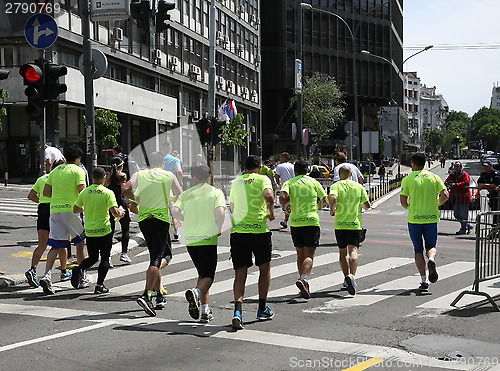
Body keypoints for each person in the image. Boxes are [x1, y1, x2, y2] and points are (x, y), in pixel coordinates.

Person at [123, 151, 182, 317]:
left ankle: (158, 294)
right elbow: (180, 194)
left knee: (154, 255)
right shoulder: (168, 175)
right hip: (161, 219)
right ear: (162, 162)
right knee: (164, 257)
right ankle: (147, 294)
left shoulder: (139, 174)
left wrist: (136, 199)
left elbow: (125, 188)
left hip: (144, 218)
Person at [171, 165, 225, 323]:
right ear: (209, 176)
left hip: (191, 238)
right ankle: (196, 293)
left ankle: (204, 310)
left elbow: (174, 211)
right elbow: (220, 212)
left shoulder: (187, 194)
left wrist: (184, 219)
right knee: (208, 275)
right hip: (207, 238)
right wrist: (219, 226)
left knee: (202, 273)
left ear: (194, 177)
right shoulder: (215, 192)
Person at [229, 155, 275, 330]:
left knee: (240, 274)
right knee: (264, 269)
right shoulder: (263, 179)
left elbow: (232, 207)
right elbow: (269, 196)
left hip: (239, 231)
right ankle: (262, 308)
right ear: (260, 167)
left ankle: (238, 312)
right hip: (259, 231)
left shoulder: (236, 182)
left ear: (245, 168)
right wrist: (270, 211)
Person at [40, 145, 87, 295]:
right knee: (80, 242)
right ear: (78, 159)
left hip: (55, 211)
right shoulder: (78, 170)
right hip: (72, 210)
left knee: (56, 244)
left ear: (65, 157)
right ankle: (82, 274)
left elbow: (46, 193)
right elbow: (82, 192)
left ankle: (47, 274)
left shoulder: (55, 172)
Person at [400, 153, 449, 291]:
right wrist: (436, 204)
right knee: (431, 246)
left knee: (417, 249)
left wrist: (410, 207)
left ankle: (423, 280)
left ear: (413, 164)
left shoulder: (408, 179)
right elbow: (446, 195)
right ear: (426, 163)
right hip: (431, 218)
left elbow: (403, 201)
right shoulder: (434, 177)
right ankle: (432, 260)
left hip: (414, 219)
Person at [71, 167, 125, 293]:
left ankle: (79, 268)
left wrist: (87, 208)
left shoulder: (84, 192)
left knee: (93, 257)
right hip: (104, 230)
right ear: (104, 178)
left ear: (91, 177)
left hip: (90, 230)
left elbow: (75, 209)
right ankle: (99, 285)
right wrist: (121, 213)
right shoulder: (108, 192)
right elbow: (115, 212)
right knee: (105, 258)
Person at [279, 160, 327, 299]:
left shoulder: (290, 182)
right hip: (311, 220)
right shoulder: (314, 182)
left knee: (300, 253)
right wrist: (317, 208)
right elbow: (325, 200)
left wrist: (286, 208)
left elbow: (282, 196)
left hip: (296, 222)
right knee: (309, 254)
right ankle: (304, 278)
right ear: (308, 170)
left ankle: (302, 284)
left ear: (295, 171)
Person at [25, 160, 70, 288]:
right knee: (61, 242)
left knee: (42, 244)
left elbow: (31, 195)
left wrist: (41, 201)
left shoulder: (42, 178)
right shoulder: (61, 179)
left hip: (43, 209)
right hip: (56, 209)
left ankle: (33, 269)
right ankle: (63, 271)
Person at [328, 164, 371, 296]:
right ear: (351, 174)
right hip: (354, 224)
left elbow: (333, 197)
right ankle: (352, 276)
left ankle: (346, 276)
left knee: (342, 252)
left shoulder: (336, 186)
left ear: (339, 175)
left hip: (340, 224)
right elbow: (367, 205)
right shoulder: (358, 187)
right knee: (353, 250)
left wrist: (332, 209)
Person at [105, 156, 132, 263]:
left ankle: (108, 257)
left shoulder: (108, 176)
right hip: (121, 203)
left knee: (110, 230)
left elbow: (105, 187)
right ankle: (124, 253)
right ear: (121, 165)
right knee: (125, 229)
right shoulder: (123, 176)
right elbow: (125, 190)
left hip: (110, 203)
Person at [162, 141, 183, 241]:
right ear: (170, 149)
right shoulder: (175, 160)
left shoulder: (159, 158)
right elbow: (179, 171)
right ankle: (175, 231)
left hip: (158, 185)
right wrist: (180, 181)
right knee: (173, 208)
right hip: (170, 186)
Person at [444, 161, 473, 235]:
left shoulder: (464, 174)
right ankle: (468, 225)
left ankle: (463, 229)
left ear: (461, 167)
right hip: (456, 197)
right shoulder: (452, 174)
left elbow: (466, 182)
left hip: (464, 197)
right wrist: (447, 184)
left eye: (458, 166)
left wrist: (456, 185)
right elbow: (446, 181)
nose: (456, 167)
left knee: (464, 214)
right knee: (456, 214)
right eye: (455, 166)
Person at [478, 159, 500, 234]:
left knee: (497, 214)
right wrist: (488, 186)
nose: (485, 168)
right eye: (484, 166)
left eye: (487, 166)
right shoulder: (484, 174)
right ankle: (495, 229)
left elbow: (496, 185)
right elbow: (479, 183)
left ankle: (495, 230)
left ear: (491, 166)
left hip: (498, 197)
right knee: (494, 214)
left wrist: (485, 185)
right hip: (492, 197)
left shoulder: (496, 173)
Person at [274, 152, 295, 229]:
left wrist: (278, 184)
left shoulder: (280, 166)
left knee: (286, 206)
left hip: (285, 187)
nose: (279, 158)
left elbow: (277, 176)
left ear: (284, 158)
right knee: (292, 204)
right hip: (294, 186)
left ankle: (286, 220)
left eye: (281, 157)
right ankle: (287, 220)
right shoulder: (292, 166)